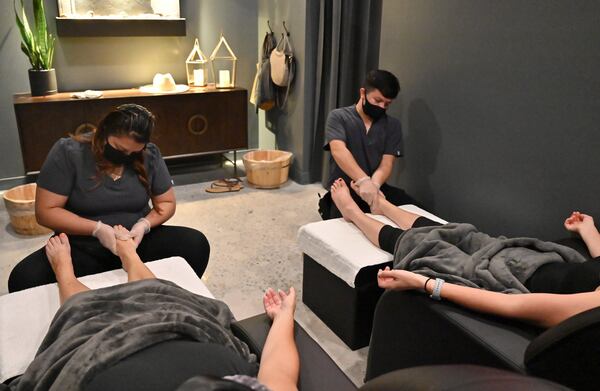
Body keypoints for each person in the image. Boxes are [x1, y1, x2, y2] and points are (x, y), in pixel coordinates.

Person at [6, 228, 299, 391]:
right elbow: (279, 373)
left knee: (84, 311)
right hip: (186, 327)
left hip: (94, 350)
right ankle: (130, 257)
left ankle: (65, 274)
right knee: (163, 294)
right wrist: (283, 317)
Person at [330, 178, 600, 328]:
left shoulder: (592, 308)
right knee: (458, 232)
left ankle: (353, 214)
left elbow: (513, 306)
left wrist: (424, 283)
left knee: (424, 247)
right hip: (530, 257)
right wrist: (589, 231)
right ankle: (383, 205)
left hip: (507, 280)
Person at [8, 104, 210, 292]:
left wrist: (143, 225)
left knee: (195, 244)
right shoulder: (69, 152)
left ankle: (133, 269)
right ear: (103, 132)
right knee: (24, 278)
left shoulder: (149, 154)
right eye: (120, 149)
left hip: (136, 241)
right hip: (82, 243)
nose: (126, 156)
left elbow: (166, 203)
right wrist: (97, 229)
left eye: (133, 152)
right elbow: (46, 212)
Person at [319, 69, 418, 220]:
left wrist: (374, 186)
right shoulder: (338, 117)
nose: (382, 107)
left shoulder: (393, 125)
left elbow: (387, 162)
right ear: (363, 93)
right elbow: (339, 151)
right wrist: (363, 180)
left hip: (375, 186)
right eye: (377, 101)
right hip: (344, 188)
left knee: (415, 213)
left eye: (387, 104)